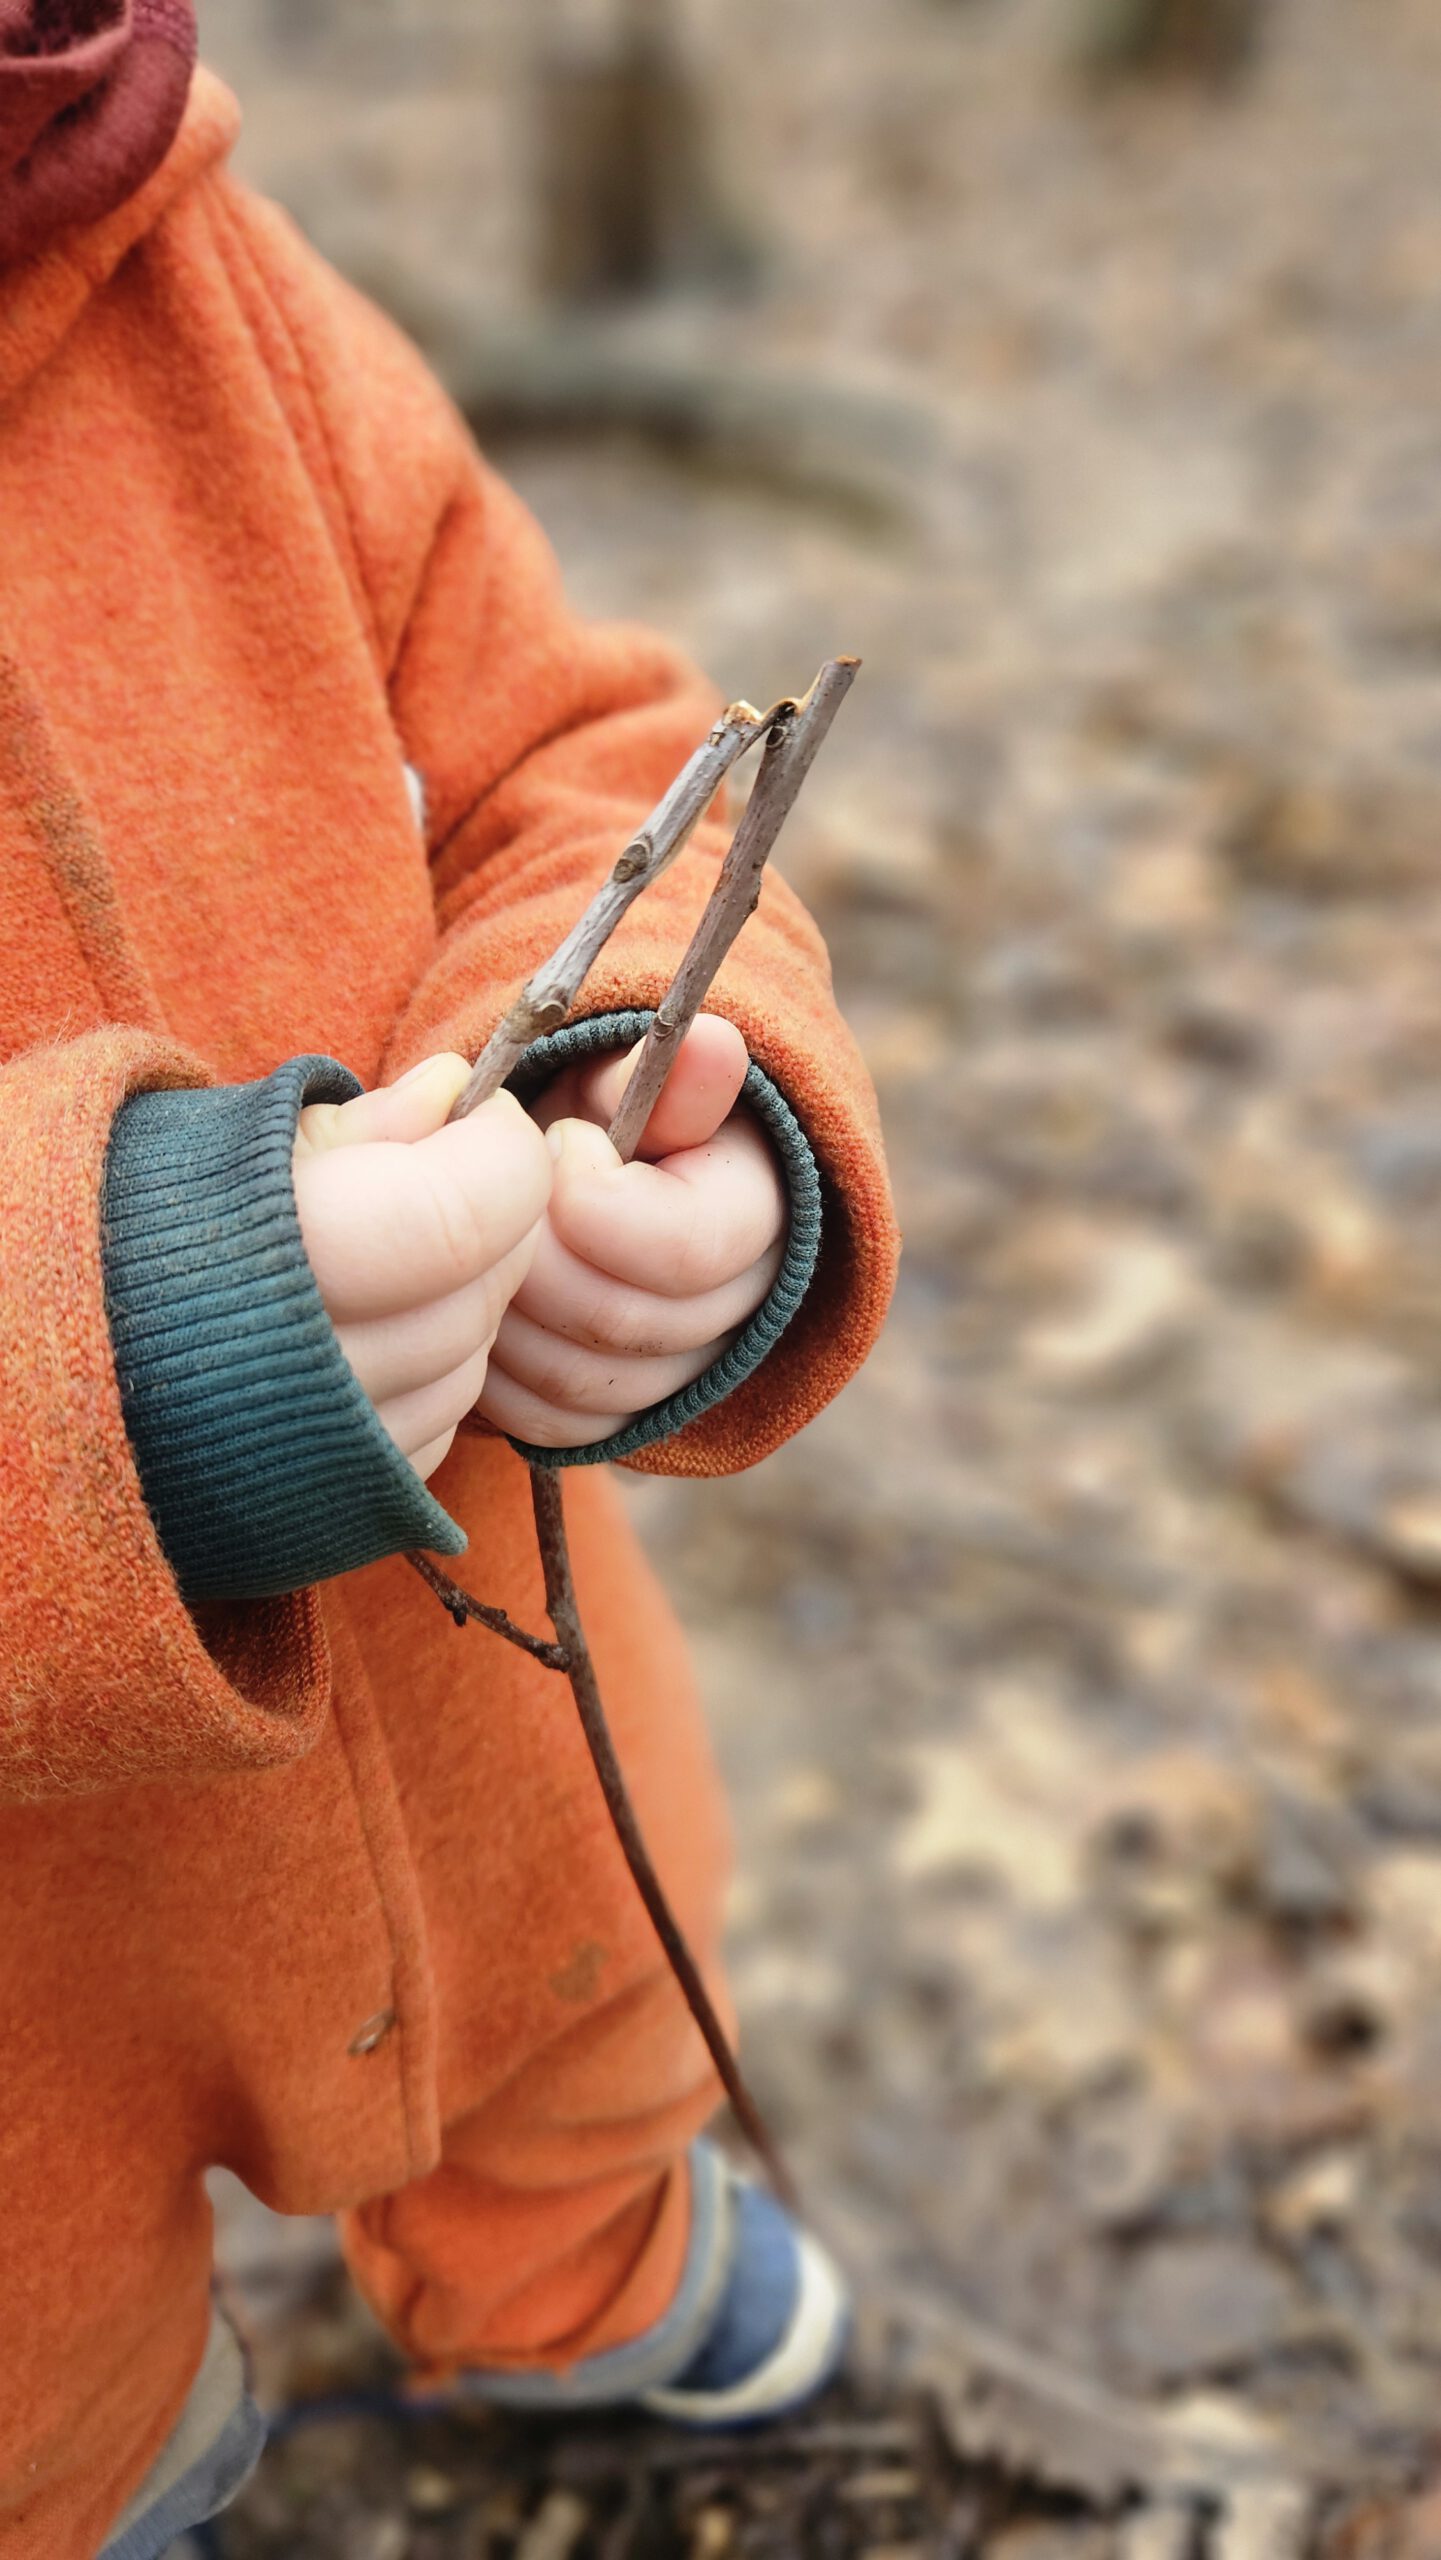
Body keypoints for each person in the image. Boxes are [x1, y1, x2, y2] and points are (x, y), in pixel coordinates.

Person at [0, 8, 899, 2555]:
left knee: (582, 1975)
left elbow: (578, 754)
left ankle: (573, 2253)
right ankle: (99, 2462)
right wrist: (107, 1340)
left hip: (487, 1648)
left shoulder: (214, 282)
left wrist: (670, 1083)